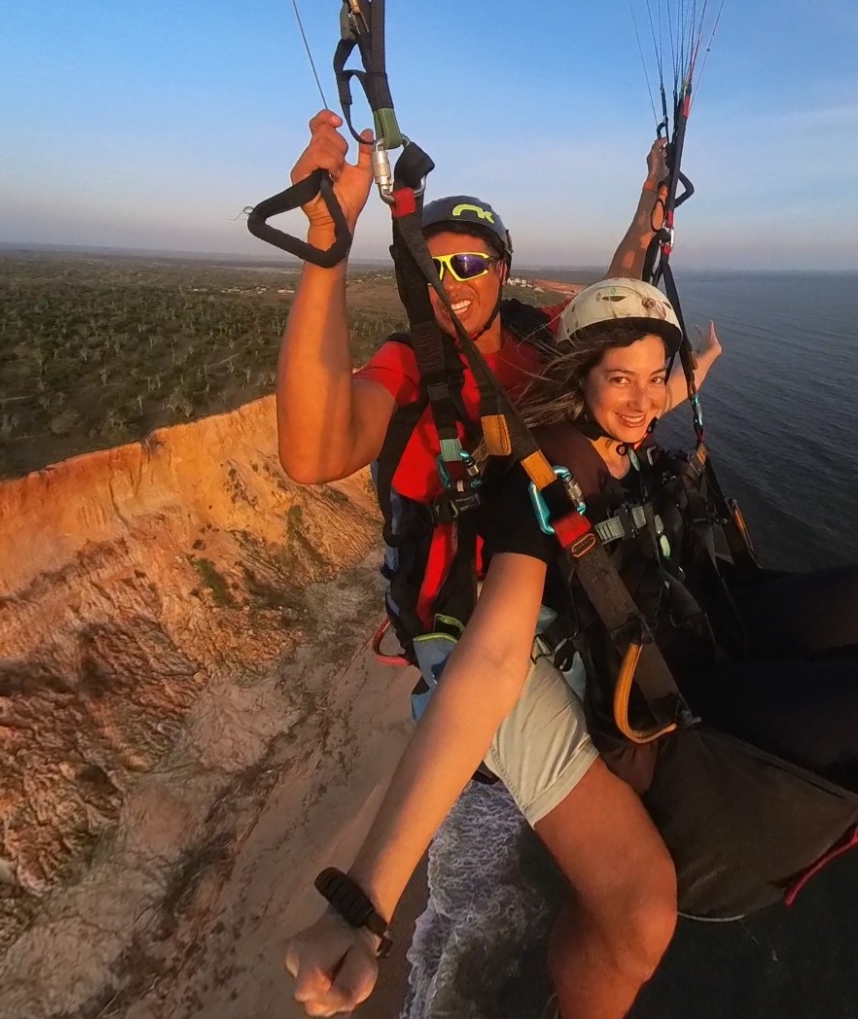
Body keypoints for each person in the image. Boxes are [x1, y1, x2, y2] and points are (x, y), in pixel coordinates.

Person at [285, 278, 858, 1016]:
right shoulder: (547, 479)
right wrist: (366, 903)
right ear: (579, 383)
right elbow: (486, 666)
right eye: (619, 381)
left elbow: (645, 391)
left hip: (693, 634)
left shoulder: (624, 431)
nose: (643, 400)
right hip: (674, 706)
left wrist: (676, 362)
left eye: (655, 380)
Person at [273, 113, 712, 1019]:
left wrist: (650, 196)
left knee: (643, 755)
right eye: (434, 264)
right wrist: (326, 245)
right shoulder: (407, 364)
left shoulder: (537, 338)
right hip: (470, 630)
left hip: (554, 602)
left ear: (501, 272)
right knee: (584, 879)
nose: (453, 280)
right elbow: (314, 448)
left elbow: (621, 290)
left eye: (472, 263)